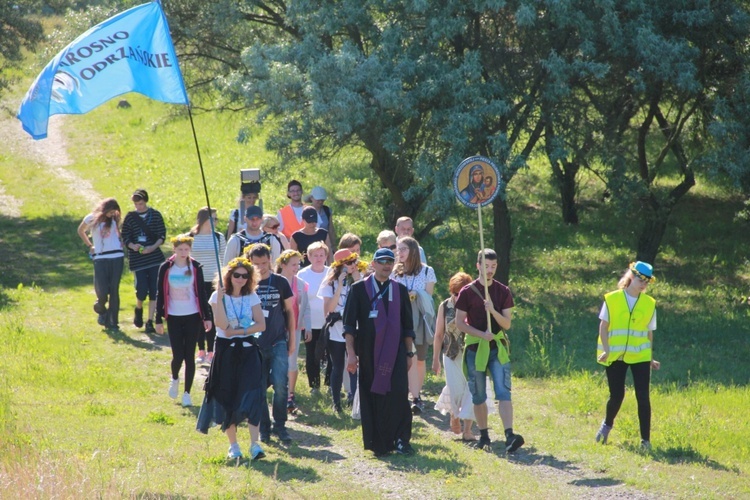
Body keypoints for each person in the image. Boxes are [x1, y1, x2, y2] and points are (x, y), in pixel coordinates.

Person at [343, 248, 415, 456]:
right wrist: (351, 354)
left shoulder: (400, 290)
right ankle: (379, 442)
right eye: (382, 261)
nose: (386, 265)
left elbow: (408, 326)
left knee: (400, 395)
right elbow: (349, 326)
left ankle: (401, 440)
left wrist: (409, 353)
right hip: (367, 353)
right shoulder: (358, 290)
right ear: (373, 264)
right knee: (373, 395)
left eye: (390, 262)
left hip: (396, 353)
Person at [196, 257, 267, 463]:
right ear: (228, 276)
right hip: (226, 353)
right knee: (228, 396)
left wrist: (242, 330)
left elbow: (261, 324)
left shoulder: (251, 296)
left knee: (254, 394)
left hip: (248, 350)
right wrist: (219, 299)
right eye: (237, 275)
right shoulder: (217, 297)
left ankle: (255, 445)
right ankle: (233, 446)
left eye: (245, 276)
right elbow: (222, 326)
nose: (241, 279)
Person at [455, 248, 525, 453]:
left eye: (493, 266)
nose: (490, 270)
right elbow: (460, 323)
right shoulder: (467, 292)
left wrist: (492, 310)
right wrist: (479, 333)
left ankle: (509, 434)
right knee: (478, 394)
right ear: (478, 266)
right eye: (486, 266)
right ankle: (484, 435)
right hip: (476, 348)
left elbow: (507, 323)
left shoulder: (503, 291)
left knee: (503, 391)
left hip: (497, 347)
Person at [595, 261, 661, 450]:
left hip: (639, 355)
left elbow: (649, 333)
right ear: (631, 277)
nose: (643, 284)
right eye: (640, 279)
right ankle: (606, 426)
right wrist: (606, 351)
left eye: (647, 282)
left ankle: (645, 441)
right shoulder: (613, 299)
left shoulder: (649, 304)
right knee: (617, 395)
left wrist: (650, 357)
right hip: (615, 355)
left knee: (643, 397)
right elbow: (603, 327)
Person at [154, 235, 213, 407]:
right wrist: (158, 319)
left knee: (189, 355)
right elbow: (159, 294)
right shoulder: (166, 267)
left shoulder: (195, 267)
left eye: (186, 249)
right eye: (180, 249)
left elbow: (201, 293)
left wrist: (207, 317)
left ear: (190, 250)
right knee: (178, 355)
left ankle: (187, 393)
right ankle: (174, 378)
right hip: (173, 316)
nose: (183, 252)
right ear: (174, 249)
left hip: (193, 316)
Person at [247, 243, 296, 443]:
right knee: (258, 387)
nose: (261, 267)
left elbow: (290, 312)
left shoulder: (281, 282)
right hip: (255, 345)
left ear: (270, 260)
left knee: (281, 385)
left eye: (265, 262)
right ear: (250, 262)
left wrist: (292, 339)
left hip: (278, 341)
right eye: (256, 263)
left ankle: (280, 425)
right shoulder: (245, 283)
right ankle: (264, 428)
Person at [391, 236, 436, 415]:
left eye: (403, 249)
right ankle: (412, 395)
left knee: (419, 358)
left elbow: (429, 298)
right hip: (400, 319)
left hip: (420, 318)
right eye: (398, 249)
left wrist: (415, 294)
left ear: (413, 251)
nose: (399, 253)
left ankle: (417, 393)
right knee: (404, 357)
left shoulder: (427, 271)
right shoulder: (394, 271)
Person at [319, 248, 364, 413]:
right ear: (340, 266)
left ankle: (354, 400)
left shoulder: (360, 280)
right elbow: (328, 310)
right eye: (349, 262)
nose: (353, 265)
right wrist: (339, 287)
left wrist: (358, 278)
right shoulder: (329, 283)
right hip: (336, 332)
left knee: (355, 366)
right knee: (338, 367)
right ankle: (336, 402)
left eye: (354, 261)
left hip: (355, 331)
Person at [432, 272, 476, 441]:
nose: (459, 297)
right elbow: (438, 335)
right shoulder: (445, 306)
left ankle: (468, 430)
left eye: (462, 293)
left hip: (470, 353)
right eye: (456, 293)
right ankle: (454, 414)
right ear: (452, 291)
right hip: (450, 355)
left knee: (472, 389)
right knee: (456, 389)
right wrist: (435, 359)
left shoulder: (473, 305)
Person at [121, 189, 166, 334]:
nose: (138, 207)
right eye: (136, 204)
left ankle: (149, 321)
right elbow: (125, 236)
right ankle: (139, 307)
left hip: (154, 258)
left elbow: (161, 235)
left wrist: (152, 247)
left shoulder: (156, 215)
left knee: (154, 290)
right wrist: (133, 246)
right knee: (141, 289)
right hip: (138, 259)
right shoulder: (130, 217)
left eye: (140, 204)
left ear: (145, 201)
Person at [77, 198, 125, 329]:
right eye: (110, 212)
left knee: (114, 289)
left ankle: (113, 322)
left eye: (114, 212)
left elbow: (119, 232)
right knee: (102, 290)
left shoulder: (115, 218)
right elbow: (81, 230)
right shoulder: (91, 218)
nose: (111, 214)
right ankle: (101, 309)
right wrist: (90, 245)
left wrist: (121, 241)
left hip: (117, 255)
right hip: (100, 257)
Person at [275, 249, 311, 415]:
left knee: (292, 362)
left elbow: (306, 307)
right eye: (293, 264)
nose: (297, 267)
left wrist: (308, 327)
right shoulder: (272, 281)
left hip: (294, 328)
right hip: (274, 329)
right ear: (283, 265)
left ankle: (290, 395)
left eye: (298, 264)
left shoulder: (301, 284)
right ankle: (277, 392)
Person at [189, 207, 226, 364]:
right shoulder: (190, 237)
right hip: (196, 281)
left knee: (212, 315)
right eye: (213, 218)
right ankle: (201, 350)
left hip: (214, 281)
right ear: (204, 219)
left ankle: (211, 351)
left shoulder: (219, 237)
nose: (216, 221)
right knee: (198, 316)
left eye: (216, 218)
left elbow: (224, 261)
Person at [297, 241, 330, 395]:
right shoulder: (302, 274)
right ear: (309, 257)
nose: (318, 258)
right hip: (310, 322)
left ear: (326, 256)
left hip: (329, 322)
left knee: (331, 354)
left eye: (321, 255)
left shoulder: (331, 272)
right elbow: (300, 300)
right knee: (312, 354)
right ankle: (314, 386)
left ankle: (330, 384)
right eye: (315, 255)